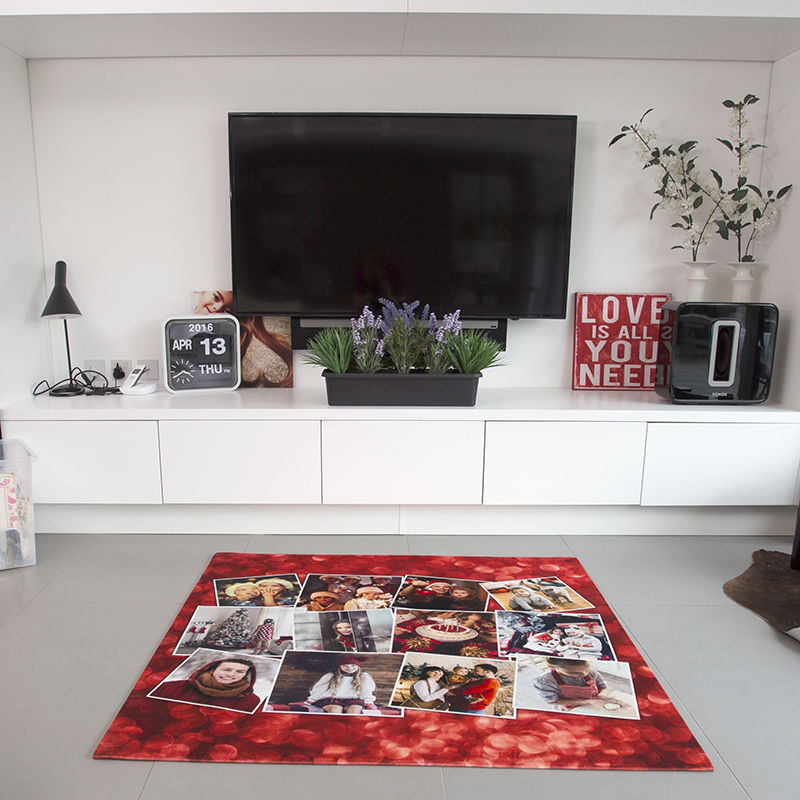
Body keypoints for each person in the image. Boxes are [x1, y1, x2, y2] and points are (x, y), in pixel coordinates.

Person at [151, 658, 261, 712]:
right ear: (212, 670)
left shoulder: (251, 701)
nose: (231, 674)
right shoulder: (170, 687)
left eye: (240, 672)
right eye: (226, 669)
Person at [306, 656, 377, 714]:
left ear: (358, 666)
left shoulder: (364, 677)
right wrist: (312, 699)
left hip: (353, 699)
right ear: (340, 667)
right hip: (332, 698)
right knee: (335, 710)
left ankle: (349, 726)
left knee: (354, 710)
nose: (349, 668)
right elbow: (320, 688)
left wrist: (368, 702)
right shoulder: (331, 675)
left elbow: (366, 690)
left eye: (353, 665)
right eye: (345, 666)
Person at [529, 656, 609, 707]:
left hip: (593, 704)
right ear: (551, 666)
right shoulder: (545, 681)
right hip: (568, 707)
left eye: (587, 670)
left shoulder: (591, 673)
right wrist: (588, 702)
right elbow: (553, 701)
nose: (584, 674)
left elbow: (603, 687)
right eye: (574, 673)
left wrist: (602, 695)